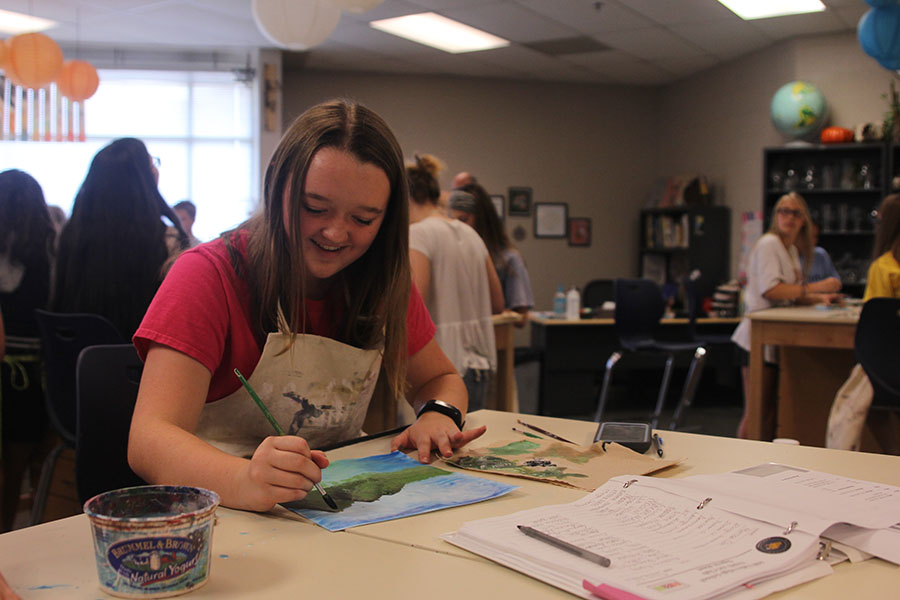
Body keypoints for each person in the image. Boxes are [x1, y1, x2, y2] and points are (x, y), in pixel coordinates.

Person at [128, 100, 486, 513]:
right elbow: (150, 439)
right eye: (314, 208)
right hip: (223, 513)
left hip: (337, 512)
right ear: (278, 187)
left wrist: (439, 414)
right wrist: (243, 479)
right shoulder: (207, 276)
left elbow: (440, 378)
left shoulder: (382, 282)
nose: (335, 233)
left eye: (364, 219)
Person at [52, 138, 189, 339]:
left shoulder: (72, 235)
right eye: (152, 165)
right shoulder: (165, 240)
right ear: (144, 179)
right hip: (143, 362)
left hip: (76, 359)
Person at [731, 192, 842, 439]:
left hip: (774, 337)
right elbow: (772, 290)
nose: (788, 217)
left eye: (795, 213)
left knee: (770, 410)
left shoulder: (790, 249)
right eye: (783, 211)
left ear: (804, 220)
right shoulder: (769, 244)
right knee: (756, 412)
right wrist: (817, 287)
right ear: (775, 216)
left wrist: (820, 298)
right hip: (755, 338)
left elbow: (792, 294)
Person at [407, 154, 504, 413]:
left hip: (441, 369)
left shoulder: (417, 234)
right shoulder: (471, 233)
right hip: (480, 363)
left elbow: (414, 306)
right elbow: (498, 303)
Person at [0, 169, 56, 532]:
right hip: (45, 374)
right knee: (38, 463)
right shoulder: (51, 252)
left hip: (9, 372)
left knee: (8, 469)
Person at [827, 194, 900, 452]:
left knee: (862, 391)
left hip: (888, 367)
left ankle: (892, 457)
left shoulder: (883, 267)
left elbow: (877, 320)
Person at [449, 183, 534, 326]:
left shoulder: (508, 259)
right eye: (452, 221)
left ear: (482, 219)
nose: (457, 227)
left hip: (493, 340)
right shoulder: (450, 255)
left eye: (463, 220)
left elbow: (521, 319)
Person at [808, 218, 840, 283]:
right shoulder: (791, 255)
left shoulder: (821, 254)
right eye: (808, 235)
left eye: (815, 236)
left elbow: (837, 282)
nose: (812, 240)